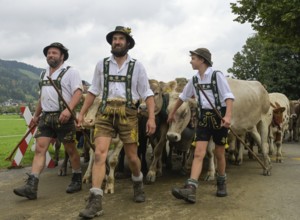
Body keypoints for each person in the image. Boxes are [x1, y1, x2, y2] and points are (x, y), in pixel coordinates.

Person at [77, 26, 156, 218]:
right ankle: (95, 201)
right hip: (104, 113)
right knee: (99, 154)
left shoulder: (137, 66)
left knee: (132, 157)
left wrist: (152, 117)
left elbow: (147, 93)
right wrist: (82, 112)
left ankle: (137, 183)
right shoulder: (101, 64)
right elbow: (94, 90)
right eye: (114, 39)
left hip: (128, 113)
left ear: (128, 43)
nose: (117, 42)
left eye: (121, 39)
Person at [13, 42, 83, 200]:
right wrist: (36, 115)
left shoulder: (71, 72)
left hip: (63, 116)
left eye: (54, 53)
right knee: (40, 149)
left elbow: (78, 93)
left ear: (62, 56)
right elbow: (42, 97)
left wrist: (68, 110)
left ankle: (77, 178)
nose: (50, 55)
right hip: (46, 117)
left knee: (70, 149)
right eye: (48, 53)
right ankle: (32, 185)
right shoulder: (43, 74)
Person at [168, 48, 234, 203]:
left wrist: (228, 116)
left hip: (219, 118)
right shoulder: (195, 79)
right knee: (198, 153)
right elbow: (183, 96)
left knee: (219, 153)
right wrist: (172, 112)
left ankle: (221, 182)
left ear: (202, 60)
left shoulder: (217, 75)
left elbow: (228, 97)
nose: (191, 61)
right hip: (203, 118)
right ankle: (191, 189)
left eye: (193, 58)